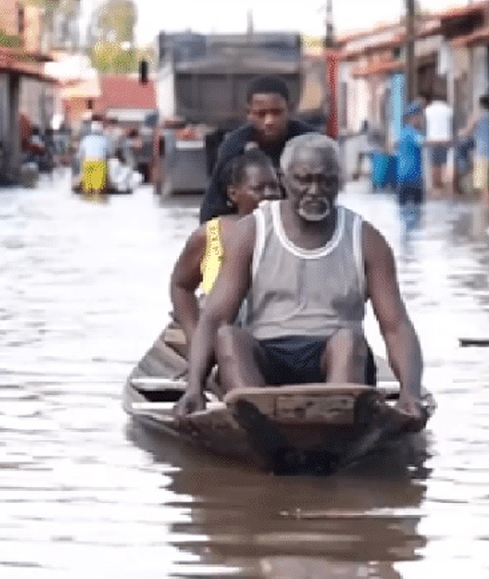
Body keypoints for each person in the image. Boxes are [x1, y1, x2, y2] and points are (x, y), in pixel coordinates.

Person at [173, 133, 426, 429]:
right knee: (228, 337)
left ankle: (335, 427)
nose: (315, 191)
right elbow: (214, 318)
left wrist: (410, 391)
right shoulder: (251, 232)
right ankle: (260, 426)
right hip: (267, 359)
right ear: (284, 179)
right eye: (304, 180)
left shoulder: (366, 239)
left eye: (326, 181)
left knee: (349, 340)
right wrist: (194, 386)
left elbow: (396, 326)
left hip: (335, 361)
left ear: (340, 180)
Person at [169, 148, 280, 344]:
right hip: (224, 336)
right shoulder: (209, 235)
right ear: (233, 193)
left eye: (274, 187)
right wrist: (195, 337)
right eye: (258, 189)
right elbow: (181, 286)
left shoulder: (289, 232)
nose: (269, 195)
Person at [198, 76, 315, 223]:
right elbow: (213, 206)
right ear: (249, 113)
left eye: (276, 112)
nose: (269, 121)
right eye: (261, 114)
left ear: (290, 110)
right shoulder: (234, 147)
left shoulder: (310, 143)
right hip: (248, 225)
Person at [459, 95, 489, 205]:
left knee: (484, 186)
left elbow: (467, 132)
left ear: (480, 105)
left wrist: (458, 133)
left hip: (482, 154)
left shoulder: (477, 117)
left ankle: (488, 208)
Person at [423, 92, 454, 196]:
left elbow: (425, 126)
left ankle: (435, 186)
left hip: (432, 140)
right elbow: (452, 124)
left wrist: (425, 138)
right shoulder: (449, 110)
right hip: (445, 139)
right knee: (443, 163)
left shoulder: (428, 110)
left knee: (434, 164)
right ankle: (442, 185)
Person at [397, 101, 425, 206]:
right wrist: (443, 141)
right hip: (414, 178)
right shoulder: (413, 133)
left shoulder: (403, 132)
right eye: (419, 116)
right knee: (417, 211)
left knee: (403, 211)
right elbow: (423, 143)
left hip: (401, 178)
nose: (421, 120)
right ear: (413, 117)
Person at [78, 120, 110, 194]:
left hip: (88, 162)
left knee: (88, 187)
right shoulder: (103, 140)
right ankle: (97, 200)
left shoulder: (85, 139)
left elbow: (80, 152)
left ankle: (87, 201)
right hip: (99, 162)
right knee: (97, 187)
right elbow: (108, 152)